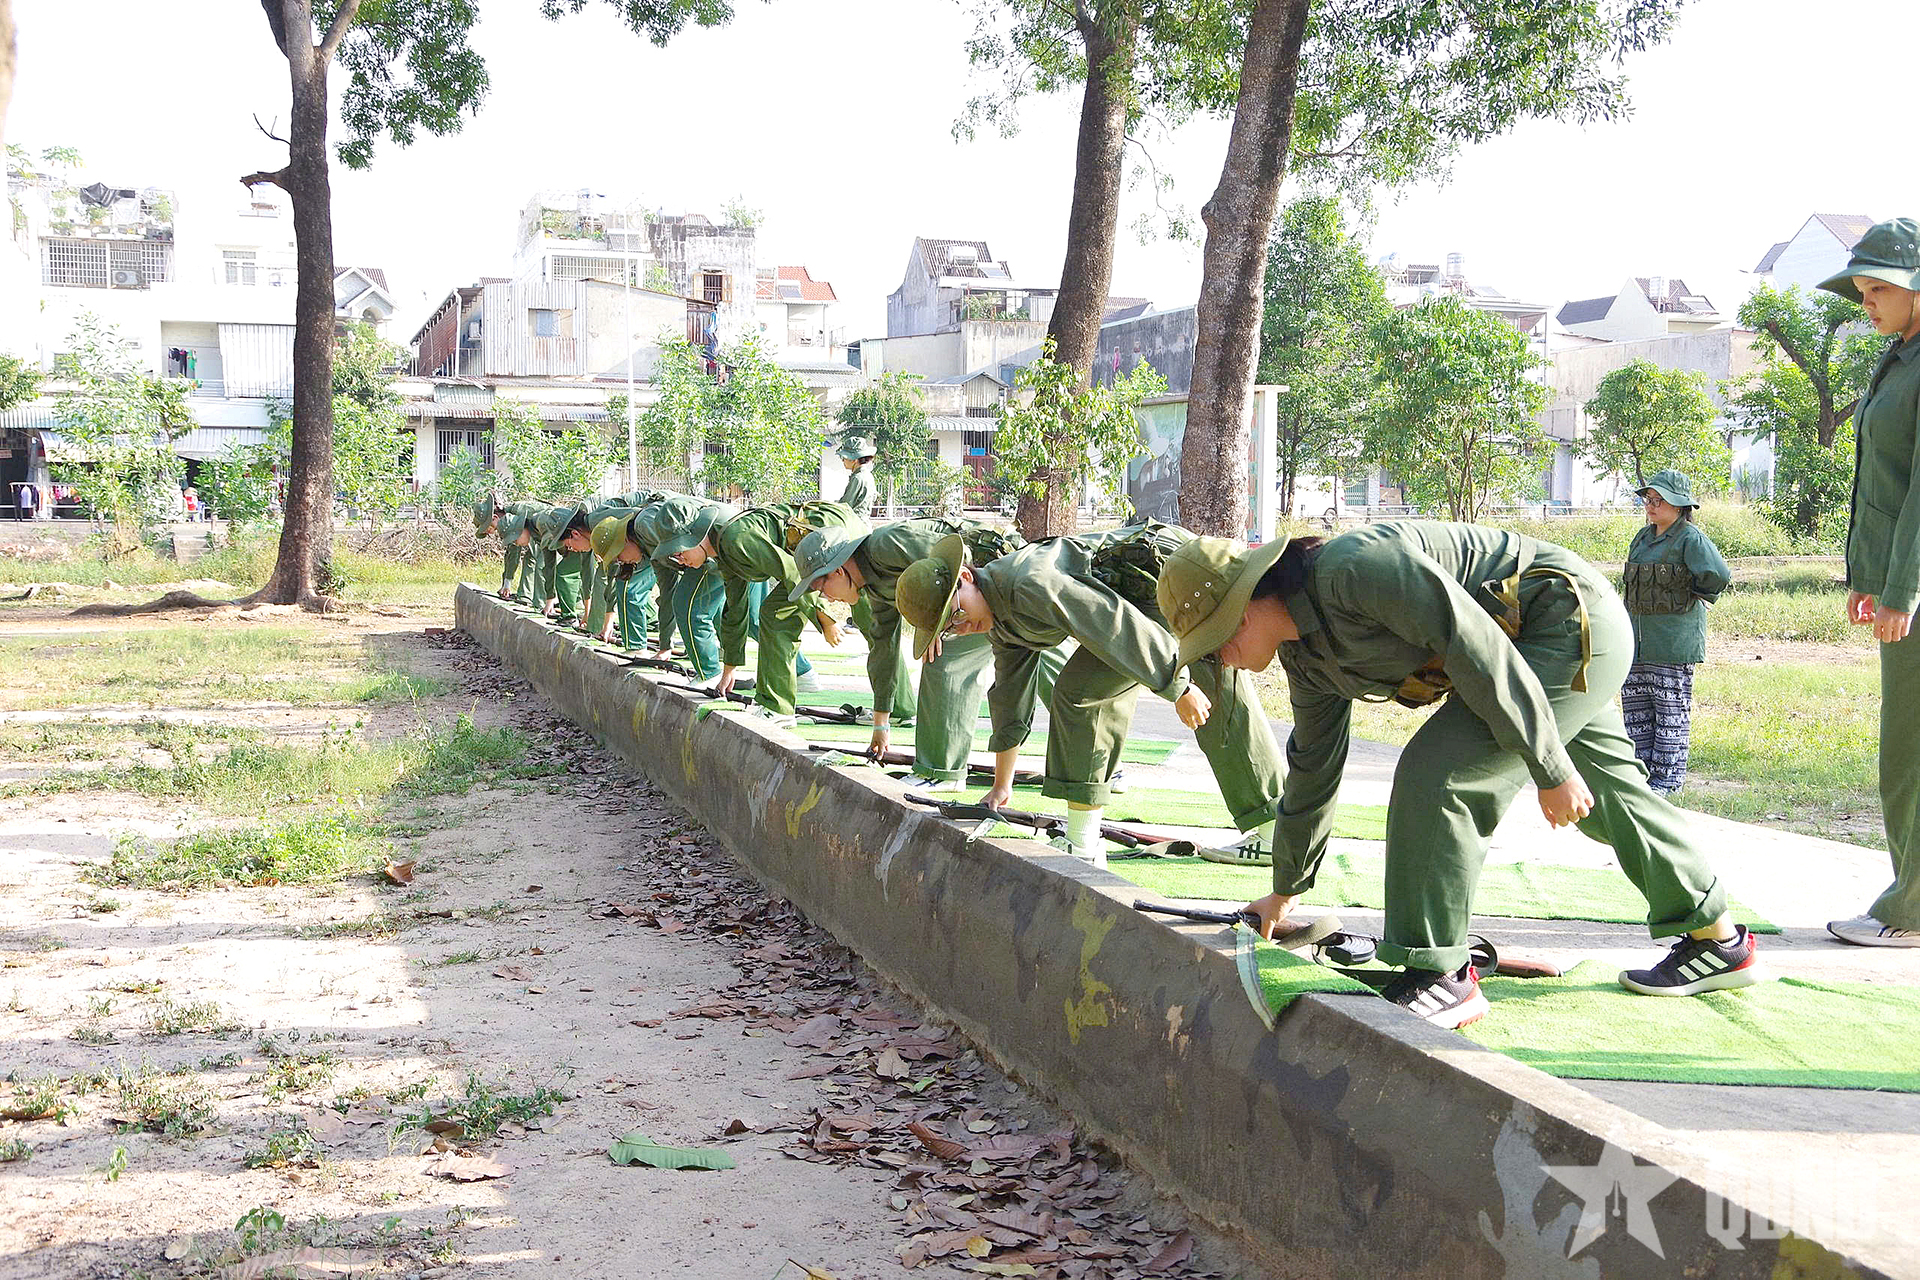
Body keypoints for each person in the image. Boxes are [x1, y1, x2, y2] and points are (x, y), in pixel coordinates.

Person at [1158, 522, 1763, 1028]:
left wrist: (1547, 764)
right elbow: (1314, 765)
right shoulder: (1308, 656)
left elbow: (1473, 643)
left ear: (1244, 606)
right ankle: (1719, 941)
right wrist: (1284, 889)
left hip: (1566, 622)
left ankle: (1441, 974)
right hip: (1527, 650)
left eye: (1212, 640)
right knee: (1610, 792)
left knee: (1439, 776)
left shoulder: (1353, 570)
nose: (1216, 658)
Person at [894, 523, 1283, 867]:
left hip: (1169, 574)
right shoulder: (1000, 621)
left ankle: (1272, 832)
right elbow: (1009, 699)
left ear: (965, 577)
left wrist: (1176, 686)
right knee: (1084, 693)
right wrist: (1001, 785)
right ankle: (1271, 831)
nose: (962, 629)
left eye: (957, 614)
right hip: (1140, 594)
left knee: (1100, 692)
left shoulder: (1029, 583)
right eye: (949, 629)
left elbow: (1110, 623)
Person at [1817, 217, 1920, 947]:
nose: (1867, 303)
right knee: (1902, 754)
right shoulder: (1899, 358)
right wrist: (1867, 576)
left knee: (1910, 756)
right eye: (1860, 291)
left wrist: (1902, 591)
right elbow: (1880, 485)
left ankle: (1909, 912)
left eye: (1879, 287)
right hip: (1896, 583)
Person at [791, 518, 1063, 789]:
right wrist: (881, 724)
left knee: (944, 656)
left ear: (837, 571)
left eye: (819, 588)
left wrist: (938, 624)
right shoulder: (873, 588)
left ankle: (940, 771)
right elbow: (883, 648)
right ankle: (1092, 754)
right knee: (1052, 667)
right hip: (989, 597)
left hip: (990, 585)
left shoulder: (886, 544)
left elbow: (956, 557)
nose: (825, 598)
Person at [642, 495, 863, 722]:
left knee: (872, 620)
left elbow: (791, 573)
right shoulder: (724, 551)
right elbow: (736, 610)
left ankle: (897, 709)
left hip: (837, 536)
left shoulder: (737, 539)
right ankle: (778, 706)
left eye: (679, 552)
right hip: (818, 549)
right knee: (771, 614)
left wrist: (824, 618)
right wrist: (730, 668)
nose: (680, 561)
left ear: (695, 538)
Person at [1618, 470, 1730, 796]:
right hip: (1638, 642)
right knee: (1637, 711)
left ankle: (1666, 783)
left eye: (1658, 500)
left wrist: (1695, 594)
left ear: (1679, 506)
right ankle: (1641, 779)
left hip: (1672, 641)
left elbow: (1718, 575)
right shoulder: (1642, 537)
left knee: (1670, 713)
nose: (1650, 506)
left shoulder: (1690, 539)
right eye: (1648, 500)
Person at [591, 506, 728, 682]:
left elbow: (687, 544)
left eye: (618, 556)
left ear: (624, 540)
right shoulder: (650, 548)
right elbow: (668, 590)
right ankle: (714, 668)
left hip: (712, 546)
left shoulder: (646, 526)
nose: (621, 562)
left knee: (690, 607)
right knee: (687, 603)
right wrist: (665, 647)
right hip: (709, 550)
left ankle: (709, 674)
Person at [834, 432, 878, 520]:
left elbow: (845, 505)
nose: (843, 461)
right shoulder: (868, 476)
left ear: (854, 460)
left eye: (844, 458)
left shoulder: (857, 478)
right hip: (865, 524)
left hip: (855, 526)